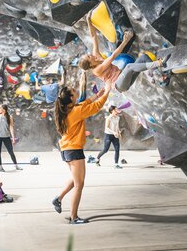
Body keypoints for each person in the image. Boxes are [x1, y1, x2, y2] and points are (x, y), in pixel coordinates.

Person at [52, 80, 112, 224]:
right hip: (73, 149)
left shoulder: (70, 109)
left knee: (75, 179)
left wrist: (99, 93)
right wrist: (108, 91)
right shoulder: (76, 111)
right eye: (74, 91)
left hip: (67, 148)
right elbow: (95, 106)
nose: (76, 91)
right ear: (71, 98)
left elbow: (86, 103)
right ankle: (74, 217)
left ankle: (58, 199)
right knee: (79, 184)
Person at [78, 13, 170, 92]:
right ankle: (159, 63)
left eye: (88, 55)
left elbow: (94, 37)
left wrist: (88, 21)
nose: (90, 55)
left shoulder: (96, 56)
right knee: (129, 66)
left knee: (144, 58)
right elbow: (113, 56)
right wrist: (125, 41)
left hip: (124, 76)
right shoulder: (96, 71)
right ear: (90, 65)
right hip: (119, 85)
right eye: (89, 57)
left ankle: (162, 79)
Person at [0, 104, 21, 172]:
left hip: (6, 137)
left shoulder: (9, 117)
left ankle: (16, 165)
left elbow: (11, 127)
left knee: (11, 152)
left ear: (3, 109)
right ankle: (0, 167)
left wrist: (13, 138)